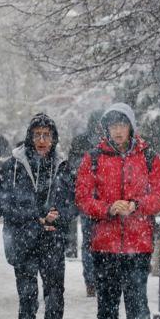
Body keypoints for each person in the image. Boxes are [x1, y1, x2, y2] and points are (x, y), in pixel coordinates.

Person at [75, 103, 160, 319]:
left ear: (131, 127)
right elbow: (83, 197)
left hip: (137, 246)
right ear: (106, 129)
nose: (118, 131)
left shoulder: (148, 157)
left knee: (138, 305)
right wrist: (107, 208)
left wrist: (136, 205)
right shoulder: (93, 158)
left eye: (122, 125)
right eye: (113, 126)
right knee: (107, 307)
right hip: (104, 245)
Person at [0, 113, 74, 319]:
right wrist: (36, 217)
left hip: (52, 241)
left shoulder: (63, 166)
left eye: (47, 135)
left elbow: (72, 202)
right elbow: (4, 202)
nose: (42, 140)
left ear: (54, 139)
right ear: (30, 136)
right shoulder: (13, 166)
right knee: (28, 301)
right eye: (37, 135)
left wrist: (58, 217)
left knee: (55, 299)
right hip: (24, 242)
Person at [67, 110, 104, 297]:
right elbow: (74, 169)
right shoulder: (84, 142)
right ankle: (91, 280)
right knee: (90, 241)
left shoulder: (109, 143)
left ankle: (97, 280)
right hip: (90, 200)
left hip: (103, 201)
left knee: (98, 242)